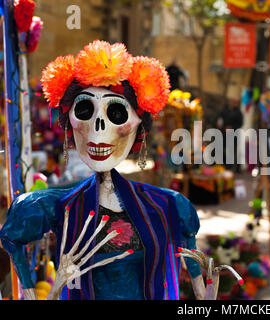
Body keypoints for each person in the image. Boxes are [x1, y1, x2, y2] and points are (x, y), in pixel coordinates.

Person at [0, 41, 205, 300]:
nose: (98, 126)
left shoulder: (166, 204)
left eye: (116, 113)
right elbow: (11, 238)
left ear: (137, 125)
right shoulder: (56, 206)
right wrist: (46, 288)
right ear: (70, 122)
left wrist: (204, 289)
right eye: (85, 109)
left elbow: (196, 273)